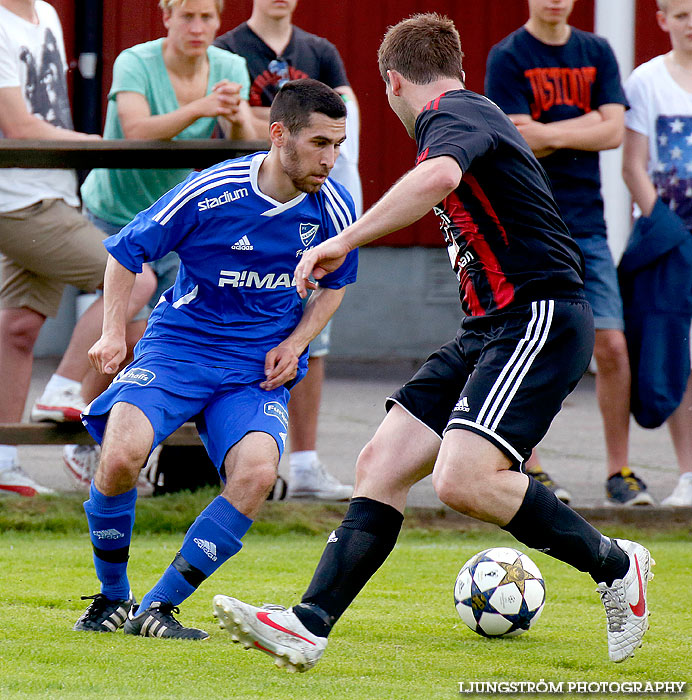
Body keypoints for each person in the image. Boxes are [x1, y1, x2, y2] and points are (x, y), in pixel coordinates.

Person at [212, 13, 654, 671]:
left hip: (539, 318)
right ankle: (307, 626)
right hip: (488, 330)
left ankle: (616, 565)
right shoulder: (467, 109)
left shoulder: (453, 114)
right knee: (381, 463)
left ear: (392, 82)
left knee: (462, 479)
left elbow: (438, 179)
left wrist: (343, 237)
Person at [72, 79, 358, 639]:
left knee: (255, 473)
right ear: (279, 135)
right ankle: (111, 600)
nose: (331, 157)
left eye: (338, 144)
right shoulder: (210, 192)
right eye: (320, 143)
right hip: (180, 348)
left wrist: (297, 343)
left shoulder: (335, 206)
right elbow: (124, 254)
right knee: (122, 456)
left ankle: (158, 609)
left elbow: (337, 283)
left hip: (255, 368)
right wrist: (111, 334)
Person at [59, 0, 255, 491]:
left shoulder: (231, 66)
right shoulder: (135, 61)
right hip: (116, 210)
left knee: (149, 340)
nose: (198, 27)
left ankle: (107, 435)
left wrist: (232, 116)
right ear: (166, 16)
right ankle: (76, 412)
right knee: (122, 312)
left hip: (176, 219)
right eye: (187, 16)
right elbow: (137, 129)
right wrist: (204, 106)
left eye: (207, 18)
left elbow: (248, 140)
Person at [484, 0, 653, 507]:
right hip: (530, 221)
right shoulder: (509, 55)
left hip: (588, 222)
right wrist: (584, 125)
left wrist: (549, 132)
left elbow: (613, 132)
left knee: (612, 346)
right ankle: (528, 464)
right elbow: (517, 138)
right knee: (528, 344)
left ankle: (618, 470)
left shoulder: (595, 51)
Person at [0, 0, 155, 497]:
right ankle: (63, 390)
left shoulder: (45, 13)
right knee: (137, 278)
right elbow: (20, 127)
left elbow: (45, 106)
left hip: (52, 191)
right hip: (17, 199)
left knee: (20, 328)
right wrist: (90, 143)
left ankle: (2, 465)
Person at [215, 0, 362, 500]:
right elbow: (229, 123)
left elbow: (341, 121)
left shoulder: (318, 50)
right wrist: (279, 126)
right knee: (234, 333)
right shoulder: (230, 49)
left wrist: (275, 124)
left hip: (305, 211)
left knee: (310, 338)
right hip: (242, 211)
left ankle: (303, 464)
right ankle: (240, 462)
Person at [620, 0, 692, 507]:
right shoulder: (646, 82)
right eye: (682, 14)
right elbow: (633, 166)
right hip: (669, 241)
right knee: (675, 355)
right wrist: (671, 231)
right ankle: (689, 473)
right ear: (663, 20)